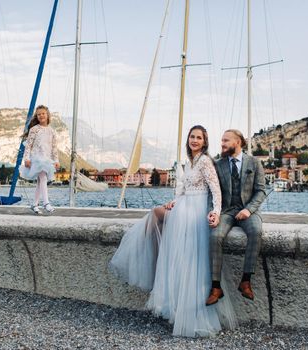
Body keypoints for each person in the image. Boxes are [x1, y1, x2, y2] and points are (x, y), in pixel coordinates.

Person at [110, 125, 237, 337]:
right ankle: (157, 269)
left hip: (195, 214)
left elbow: (215, 190)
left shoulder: (205, 161)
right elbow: (183, 191)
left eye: (198, 138)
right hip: (183, 208)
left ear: (204, 142)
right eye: (192, 137)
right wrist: (173, 202)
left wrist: (215, 212)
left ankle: (191, 315)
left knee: (190, 263)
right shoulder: (189, 162)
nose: (194, 140)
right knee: (158, 219)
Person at [206, 129, 267, 306]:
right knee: (215, 236)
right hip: (226, 211)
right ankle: (216, 287)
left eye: (226, 140)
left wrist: (248, 210)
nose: (222, 144)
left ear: (238, 142)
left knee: (256, 231)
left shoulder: (254, 163)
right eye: (222, 140)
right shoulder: (218, 164)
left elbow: (261, 191)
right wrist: (214, 212)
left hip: (248, 210)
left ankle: (246, 280)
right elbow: (213, 192)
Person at [20, 105, 60, 214]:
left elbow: (54, 147)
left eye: (43, 113)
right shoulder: (34, 129)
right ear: (36, 116)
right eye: (39, 114)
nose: (41, 115)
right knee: (43, 177)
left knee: (40, 181)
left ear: (47, 115)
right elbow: (28, 145)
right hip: (36, 158)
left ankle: (34, 204)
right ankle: (46, 203)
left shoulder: (52, 131)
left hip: (46, 159)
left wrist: (56, 161)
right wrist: (26, 159)